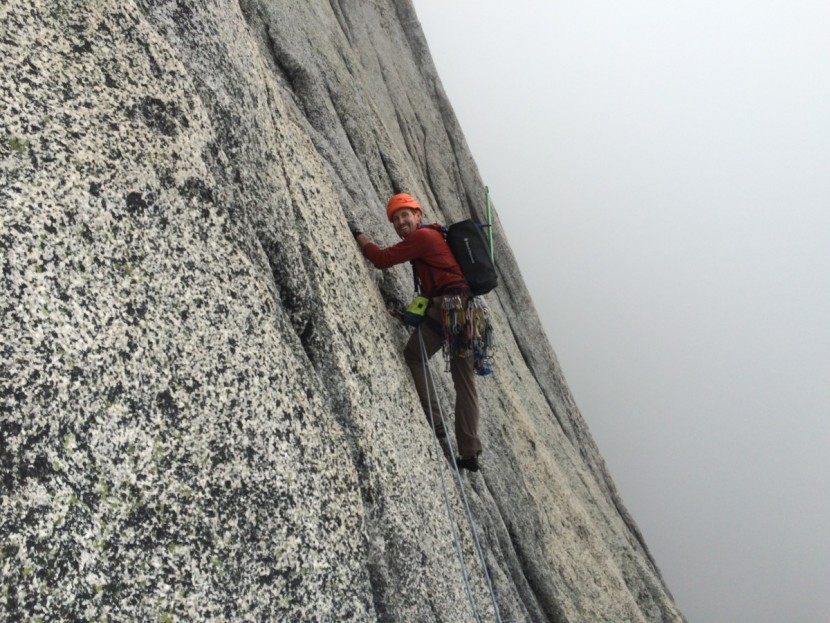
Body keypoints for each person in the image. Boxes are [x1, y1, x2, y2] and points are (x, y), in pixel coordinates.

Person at [351, 193, 482, 472]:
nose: (400, 222)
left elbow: (382, 259)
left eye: (405, 215)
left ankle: (437, 424)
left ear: (418, 215)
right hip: (464, 311)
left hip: (449, 309)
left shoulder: (423, 238)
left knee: (414, 355)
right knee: (465, 383)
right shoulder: (432, 238)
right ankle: (469, 452)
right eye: (395, 219)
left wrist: (359, 236)